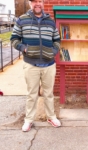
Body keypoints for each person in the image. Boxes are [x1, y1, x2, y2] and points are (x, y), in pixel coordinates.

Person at [10, 0, 61, 131]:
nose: (37, 4)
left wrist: (53, 51)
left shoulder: (50, 21)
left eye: (39, 1)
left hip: (49, 64)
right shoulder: (22, 20)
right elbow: (14, 39)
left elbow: (57, 40)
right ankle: (29, 120)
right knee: (31, 94)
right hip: (31, 64)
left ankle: (51, 116)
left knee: (48, 93)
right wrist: (24, 48)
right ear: (30, 3)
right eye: (34, 1)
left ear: (43, 3)